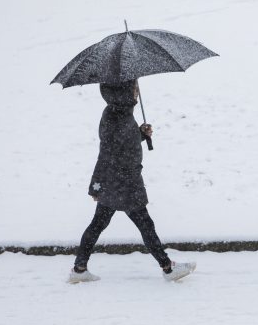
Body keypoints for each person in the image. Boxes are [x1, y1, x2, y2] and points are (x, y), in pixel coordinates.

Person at [68, 79, 196, 283]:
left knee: (99, 224)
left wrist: (140, 135)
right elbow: (107, 151)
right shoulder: (115, 115)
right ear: (124, 91)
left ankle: (79, 269)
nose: (137, 91)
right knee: (145, 224)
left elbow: (123, 143)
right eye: (134, 87)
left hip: (118, 181)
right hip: (123, 182)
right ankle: (167, 267)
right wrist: (96, 184)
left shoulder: (119, 112)